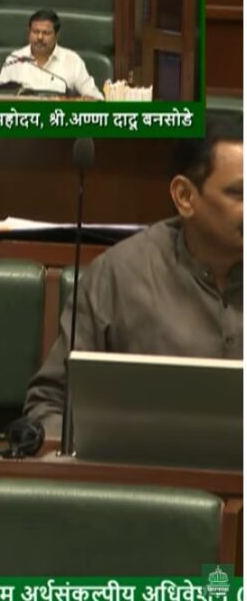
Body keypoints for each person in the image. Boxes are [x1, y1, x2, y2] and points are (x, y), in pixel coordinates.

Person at [23, 133, 243, 435]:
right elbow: (51, 404)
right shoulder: (119, 274)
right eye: (239, 193)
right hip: (143, 474)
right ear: (185, 196)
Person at [0, 9, 105, 101]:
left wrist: (71, 101)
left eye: (46, 33)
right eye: (35, 32)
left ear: (56, 35)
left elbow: (96, 98)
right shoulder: (15, 59)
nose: (40, 37)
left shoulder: (72, 60)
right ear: (28, 32)